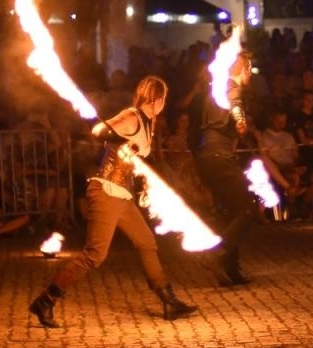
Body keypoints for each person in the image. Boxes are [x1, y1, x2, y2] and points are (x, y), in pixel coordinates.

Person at [29, 76, 198, 328]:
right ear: (156, 98)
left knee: (147, 243)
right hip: (106, 191)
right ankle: (46, 300)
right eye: (164, 99)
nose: (165, 104)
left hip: (122, 194)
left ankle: (168, 300)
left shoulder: (148, 122)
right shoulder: (131, 116)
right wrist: (123, 142)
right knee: (95, 254)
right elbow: (99, 131)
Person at [195, 49, 261, 286]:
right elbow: (235, 105)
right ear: (243, 69)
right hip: (219, 155)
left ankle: (231, 269)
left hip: (208, 155)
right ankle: (218, 252)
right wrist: (241, 121)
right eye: (249, 70)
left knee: (232, 211)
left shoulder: (213, 90)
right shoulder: (232, 86)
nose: (249, 75)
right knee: (247, 208)